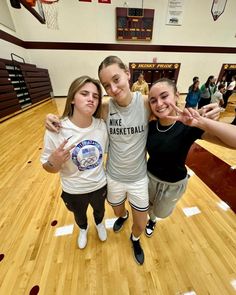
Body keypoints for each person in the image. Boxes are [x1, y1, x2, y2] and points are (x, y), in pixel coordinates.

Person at [45, 56, 221, 265]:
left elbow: (171, 110)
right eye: (106, 85)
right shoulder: (105, 108)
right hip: (113, 178)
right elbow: (79, 111)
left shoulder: (147, 103)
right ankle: (122, 216)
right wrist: (50, 118)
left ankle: (135, 239)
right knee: (118, 211)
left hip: (139, 178)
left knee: (141, 222)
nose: (113, 88)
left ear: (128, 74)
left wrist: (205, 113)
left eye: (116, 79)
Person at [145, 78, 236, 238]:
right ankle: (150, 218)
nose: (159, 103)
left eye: (164, 96)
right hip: (149, 177)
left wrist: (202, 122)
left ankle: (153, 218)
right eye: (153, 100)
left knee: (161, 212)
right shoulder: (150, 126)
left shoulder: (188, 125)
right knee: (148, 206)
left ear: (177, 96)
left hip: (173, 184)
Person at [41, 76, 108, 250]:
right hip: (74, 189)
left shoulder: (102, 125)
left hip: (99, 184)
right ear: (72, 98)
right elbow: (48, 168)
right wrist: (53, 162)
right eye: (84, 93)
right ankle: (83, 229)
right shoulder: (57, 129)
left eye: (95, 96)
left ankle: (100, 224)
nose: (91, 99)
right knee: (79, 215)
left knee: (100, 211)